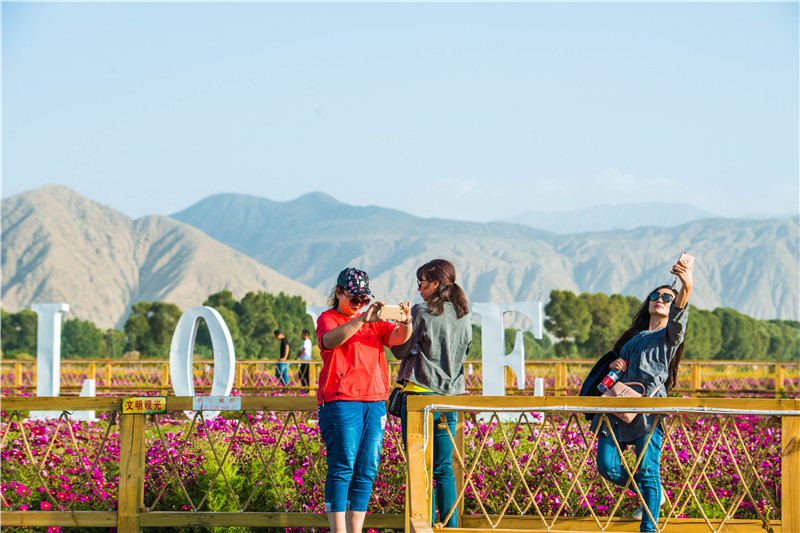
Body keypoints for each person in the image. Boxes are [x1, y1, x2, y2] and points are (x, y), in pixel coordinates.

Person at [591, 257, 693, 532]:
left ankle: (649, 527)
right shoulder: (633, 336)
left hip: (647, 414)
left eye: (666, 298)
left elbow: (679, 319)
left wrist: (686, 286)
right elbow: (618, 366)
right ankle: (653, 495)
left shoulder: (668, 337)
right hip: (617, 409)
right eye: (655, 296)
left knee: (648, 470)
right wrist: (614, 364)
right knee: (607, 467)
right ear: (648, 302)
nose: (660, 299)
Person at [316, 267, 412, 533]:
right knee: (342, 464)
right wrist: (361, 320)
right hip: (340, 400)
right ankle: (338, 530)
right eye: (354, 298)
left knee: (367, 466)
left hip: (374, 400)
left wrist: (406, 322)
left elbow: (397, 340)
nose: (359, 304)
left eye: (363, 300)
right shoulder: (328, 318)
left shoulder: (375, 321)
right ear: (338, 293)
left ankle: (355, 529)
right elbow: (329, 341)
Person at [390, 259, 472, 528]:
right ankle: (450, 526)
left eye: (421, 282)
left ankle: (421, 524)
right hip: (449, 399)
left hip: (419, 398)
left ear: (436, 283)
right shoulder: (464, 315)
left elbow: (400, 350)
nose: (419, 288)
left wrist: (402, 323)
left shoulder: (422, 312)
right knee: (443, 468)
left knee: (419, 466)